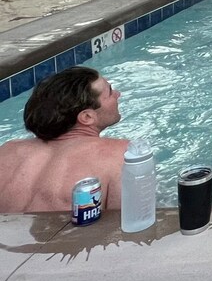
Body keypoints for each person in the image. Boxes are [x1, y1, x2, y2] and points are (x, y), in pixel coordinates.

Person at [0, 67, 128, 213]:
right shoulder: (120, 154)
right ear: (87, 117)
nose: (117, 94)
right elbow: (130, 220)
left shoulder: (7, 151)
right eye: (110, 92)